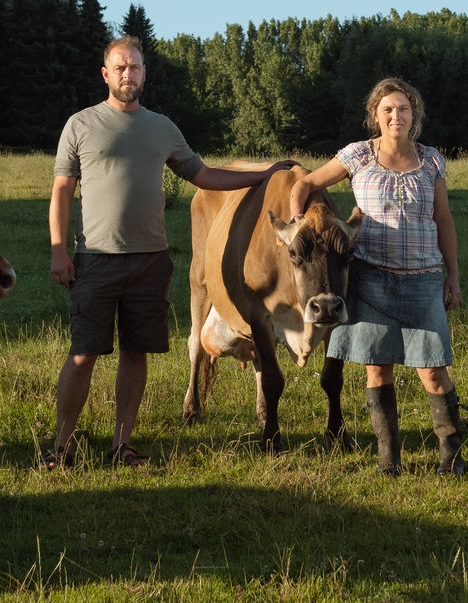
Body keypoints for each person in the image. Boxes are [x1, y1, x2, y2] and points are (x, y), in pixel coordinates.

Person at [45, 35, 295, 469]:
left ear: (144, 73)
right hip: (96, 259)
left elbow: (203, 175)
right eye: (120, 67)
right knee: (84, 353)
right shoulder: (80, 125)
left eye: (135, 67)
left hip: (150, 260)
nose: (128, 74)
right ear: (106, 74)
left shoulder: (162, 127)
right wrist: (58, 251)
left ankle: (123, 444)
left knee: (135, 353)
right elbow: (62, 192)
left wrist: (264, 177)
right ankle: (61, 447)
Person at [289, 77, 465, 476]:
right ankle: (389, 460)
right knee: (376, 367)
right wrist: (301, 225)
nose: (395, 115)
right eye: (387, 109)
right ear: (376, 116)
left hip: (422, 278)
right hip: (370, 279)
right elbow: (305, 184)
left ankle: (451, 459)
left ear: (413, 115)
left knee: (434, 371)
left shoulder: (432, 160)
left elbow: (443, 219)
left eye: (403, 109)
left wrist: (452, 275)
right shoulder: (357, 157)